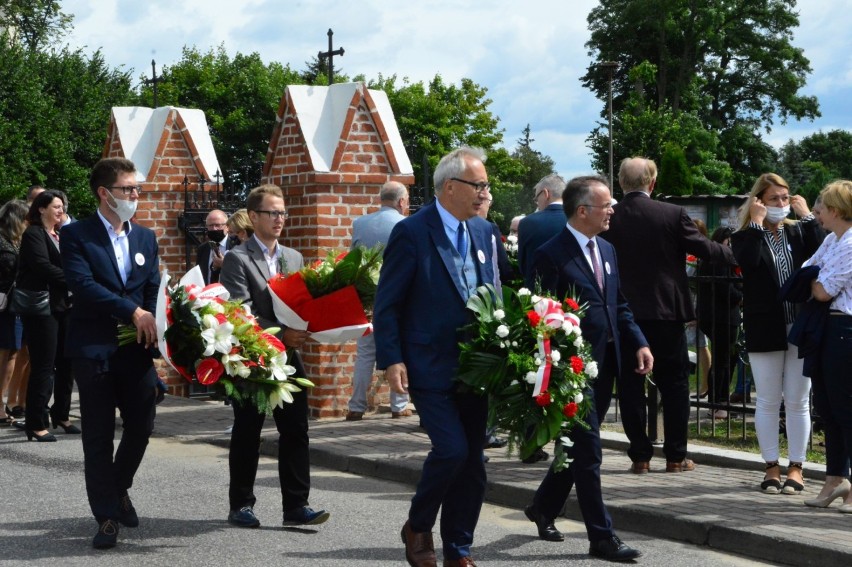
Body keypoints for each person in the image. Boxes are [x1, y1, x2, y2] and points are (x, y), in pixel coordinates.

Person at [374, 146, 498, 567]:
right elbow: (387, 303)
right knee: (452, 451)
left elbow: (493, 292)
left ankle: (459, 548)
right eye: (478, 184)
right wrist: (392, 360)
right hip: (428, 364)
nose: (485, 192)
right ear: (450, 187)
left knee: (474, 462)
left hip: (477, 366)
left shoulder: (485, 231)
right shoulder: (412, 232)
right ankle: (418, 524)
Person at [523, 175, 650, 562]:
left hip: (605, 364)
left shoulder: (607, 249)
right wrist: (556, 366)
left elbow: (619, 305)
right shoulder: (551, 253)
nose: (613, 210)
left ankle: (543, 507)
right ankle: (602, 537)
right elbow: (538, 315)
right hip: (571, 370)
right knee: (590, 451)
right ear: (582, 211)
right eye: (606, 205)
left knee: (578, 447)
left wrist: (639, 341)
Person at [601, 157, 735, 474]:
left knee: (630, 386)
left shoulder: (609, 216)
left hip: (622, 313)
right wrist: (736, 250)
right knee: (674, 385)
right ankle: (676, 456)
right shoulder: (672, 214)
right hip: (666, 312)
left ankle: (640, 456)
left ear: (620, 183)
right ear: (653, 183)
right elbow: (706, 249)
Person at [61, 157, 161, 549]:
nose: (135, 195)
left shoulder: (145, 237)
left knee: (142, 425)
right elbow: (82, 285)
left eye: (137, 188)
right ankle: (105, 516)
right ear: (105, 193)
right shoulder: (77, 236)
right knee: (98, 435)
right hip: (94, 348)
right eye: (128, 189)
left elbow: (152, 284)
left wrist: (153, 320)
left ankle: (118, 487)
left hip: (135, 350)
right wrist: (131, 311)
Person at [219, 184, 329, 530]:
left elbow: (300, 302)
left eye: (282, 212)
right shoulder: (238, 259)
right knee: (248, 431)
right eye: (272, 213)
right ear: (253, 217)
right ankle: (241, 505)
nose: (279, 219)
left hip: (290, 357)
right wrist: (283, 332)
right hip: (254, 357)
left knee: (296, 429)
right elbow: (240, 312)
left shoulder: (293, 257)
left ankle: (296, 505)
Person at [731, 173, 822, 494]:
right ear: (759, 201)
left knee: (798, 401)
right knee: (768, 400)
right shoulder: (744, 236)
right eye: (774, 199)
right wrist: (756, 224)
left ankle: (796, 467)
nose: (781, 204)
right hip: (764, 326)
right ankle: (771, 466)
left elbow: (824, 249)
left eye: (785, 198)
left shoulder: (798, 232)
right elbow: (749, 265)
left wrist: (808, 216)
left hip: (800, 325)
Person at [802, 180, 852, 510]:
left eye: (822, 208)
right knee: (828, 408)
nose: (817, 213)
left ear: (834, 210)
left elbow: (823, 289)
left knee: (846, 409)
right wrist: (813, 277)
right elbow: (807, 269)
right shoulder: (833, 240)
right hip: (827, 327)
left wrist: (813, 279)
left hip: (844, 328)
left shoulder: (849, 243)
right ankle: (835, 479)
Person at [346, 181, 411, 421]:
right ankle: (399, 404)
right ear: (402, 201)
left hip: (367, 297)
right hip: (398, 297)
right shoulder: (405, 224)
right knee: (399, 350)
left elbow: (353, 257)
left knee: (365, 354)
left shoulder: (360, 223)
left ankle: (356, 405)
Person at [16, 190, 75, 442]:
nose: (60, 211)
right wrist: (75, 280)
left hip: (64, 306)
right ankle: (35, 423)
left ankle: (60, 414)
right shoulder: (33, 234)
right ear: (41, 209)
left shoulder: (59, 235)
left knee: (67, 363)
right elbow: (43, 267)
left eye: (62, 207)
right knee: (44, 366)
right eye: (56, 206)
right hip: (42, 309)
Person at [697, 226, 742, 419]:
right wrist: (742, 296)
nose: (731, 245)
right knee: (723, 361)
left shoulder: (711, 258)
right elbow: (726, 289)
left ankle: (719, 402)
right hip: (721, 316)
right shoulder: (720, 259)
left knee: (723, 359)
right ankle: (719, 404)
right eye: (729, 241)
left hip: (717, 315)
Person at [0, 200, 29, 427]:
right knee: (5, 354)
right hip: (4, 306)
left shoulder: (16, 242)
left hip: (14, 306)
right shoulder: (3, 242)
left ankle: (2, 404)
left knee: (11, 354)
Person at [517, 174, 567, 280]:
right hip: (574, 293)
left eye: (536, 198)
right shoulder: (579, 220)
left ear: (545, 193)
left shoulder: (527, 222)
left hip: (539, 292)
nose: (537, 203)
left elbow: (523, 267)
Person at [196, 209, 230, 284]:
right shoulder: (203, 249)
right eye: (210, 225)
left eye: (218, 225)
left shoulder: (236, 246)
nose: (214, 229)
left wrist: (224, 264)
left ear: (227, 226)